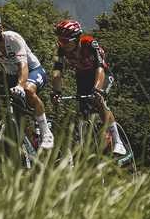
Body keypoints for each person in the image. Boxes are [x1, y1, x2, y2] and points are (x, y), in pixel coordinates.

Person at [0, 10, 53, 150]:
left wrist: (21, 86)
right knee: (17, 118)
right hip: (11, 76)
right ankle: (32, 143)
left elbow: (23, 65)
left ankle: (46, 132)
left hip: (33, 70)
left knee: (28, 90)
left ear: (0, 28)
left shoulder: (13, 38)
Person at [51, 18, 119, 153]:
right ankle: (90, 142)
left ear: (76, 39)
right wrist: (56, 92)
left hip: (101, 74)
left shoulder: (89, 43)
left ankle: (118, 141)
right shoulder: (61, 49)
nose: (61, 44)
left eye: (64, 41)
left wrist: (98, 90)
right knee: (83, 112)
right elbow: (57, 72)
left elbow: (99, 68)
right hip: (82, 77)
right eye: (59, 40)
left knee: (100, 102)